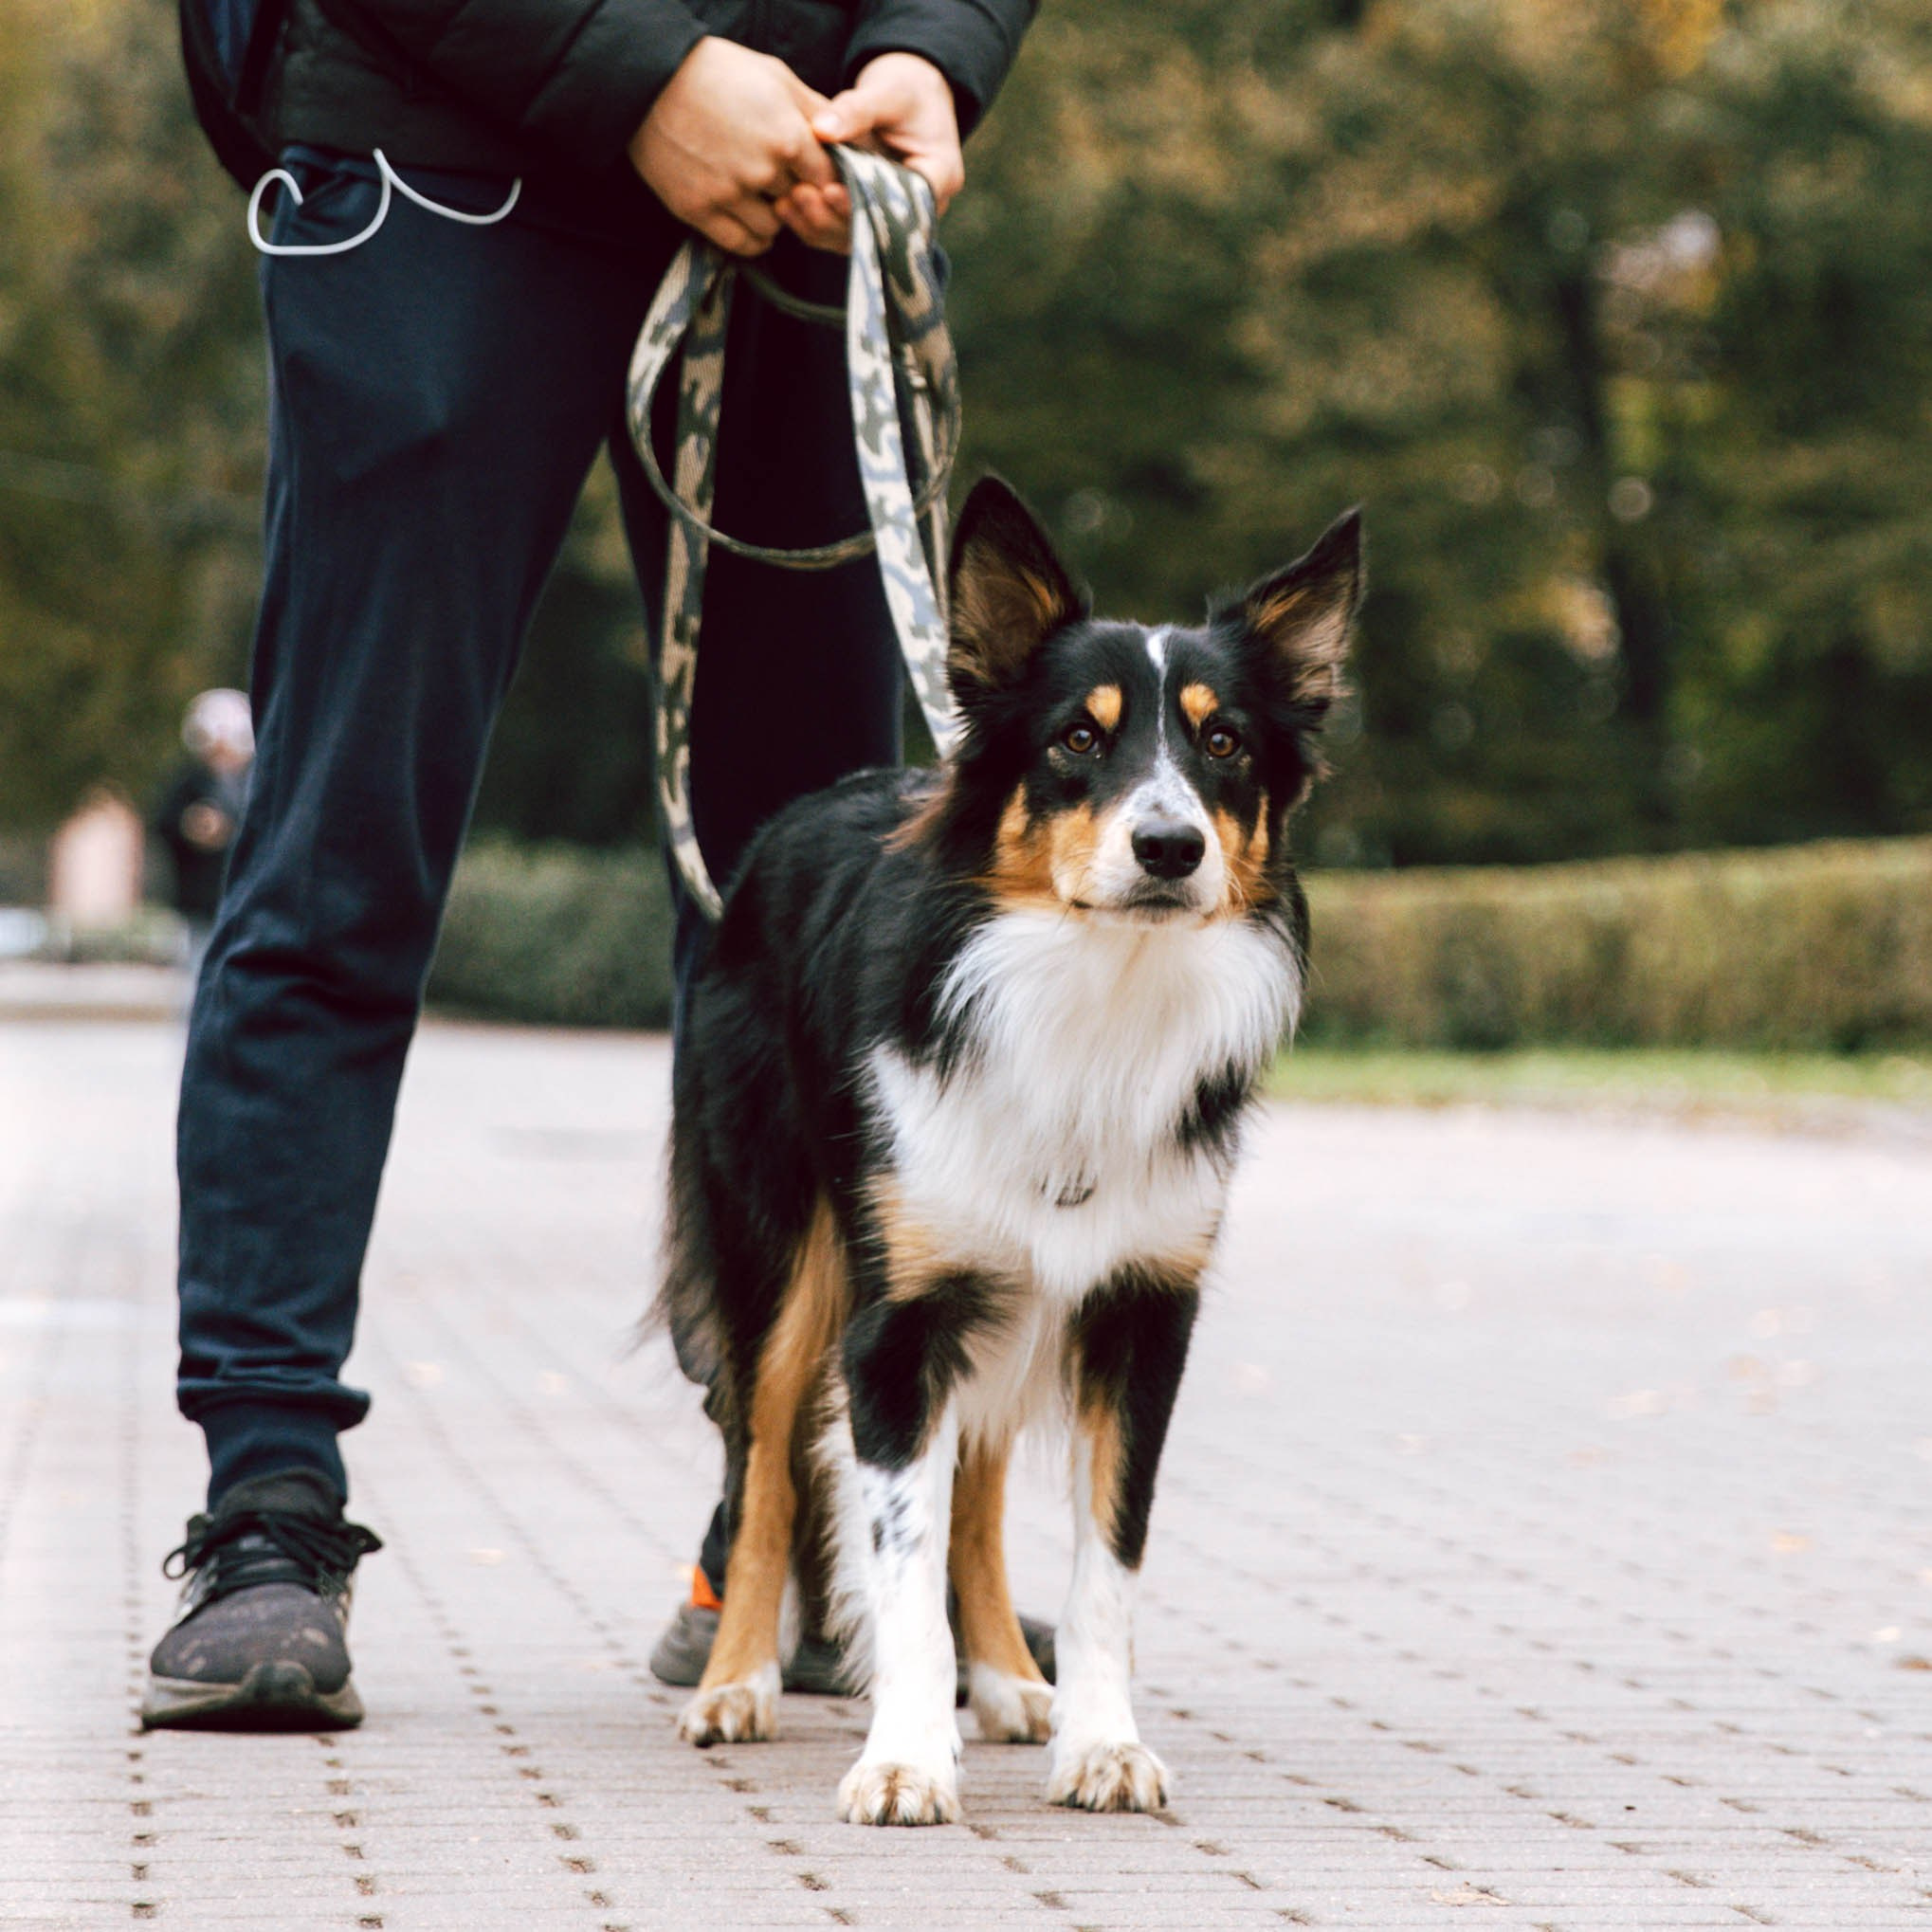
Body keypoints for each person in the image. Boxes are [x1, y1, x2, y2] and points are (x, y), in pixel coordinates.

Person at [144, 0, 1041, 1730]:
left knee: (823, 904)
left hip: (805, 181)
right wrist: (638, 74)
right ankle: (265, 1514)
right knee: (342, 850)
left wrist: (934, 50)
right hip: (445, 154)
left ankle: (787, 1530)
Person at [151, 689, 255, 997]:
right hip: (204, 906)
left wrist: (230, 828)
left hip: (250, 902)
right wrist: (190, 825)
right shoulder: (189, 783)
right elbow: (164, 824)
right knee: (200, 984)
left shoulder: (258, 782)